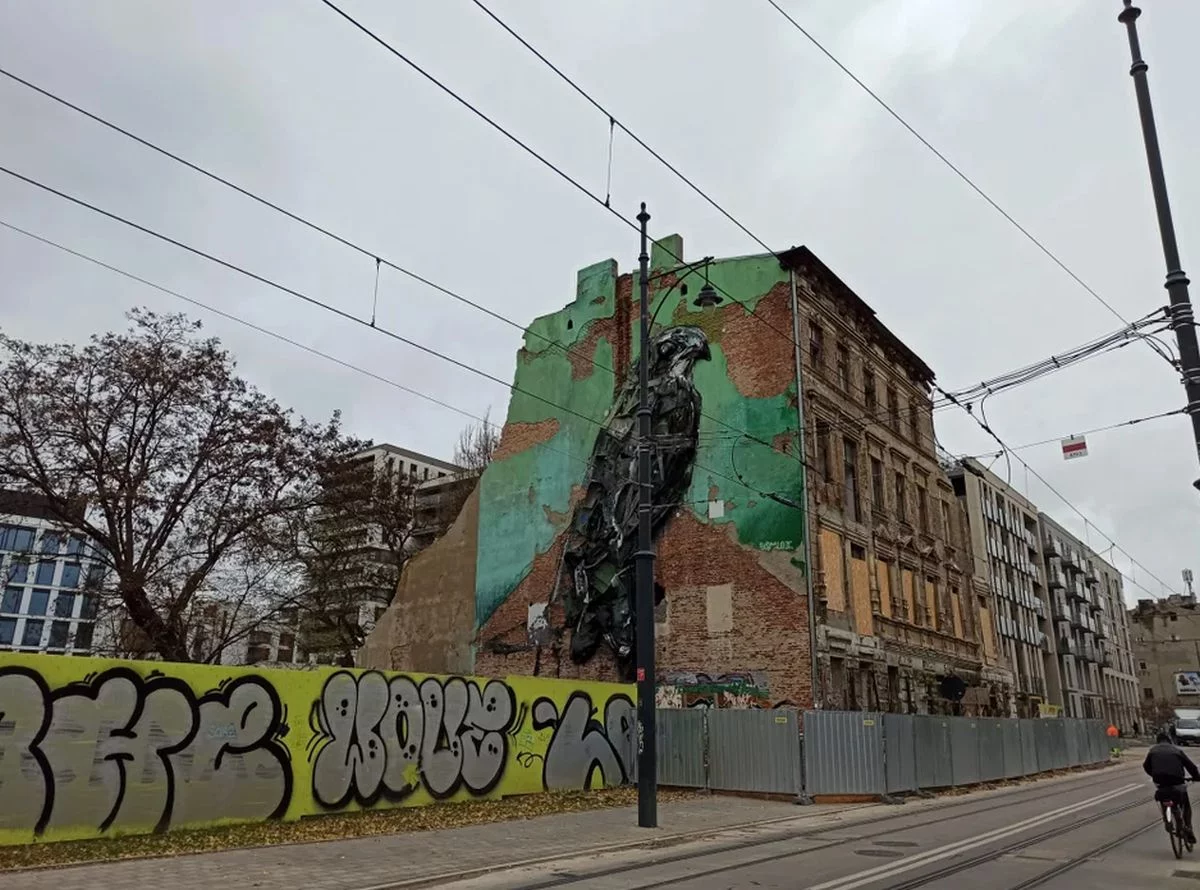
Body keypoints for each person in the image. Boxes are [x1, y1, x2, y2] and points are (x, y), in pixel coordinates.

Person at [1144, 730, 1200, 842]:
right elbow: (1191, 766)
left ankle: (1167, 819)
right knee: (1186, 804)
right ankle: (1188, 828)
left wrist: (1154, 775)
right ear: (1169, 741)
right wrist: (1196, 777)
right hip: (1177, 781)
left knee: (1163, 795)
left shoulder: (1152, 751)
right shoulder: (1176, 750)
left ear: (1157, 741)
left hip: (1160, 781)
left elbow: (1146, 766)